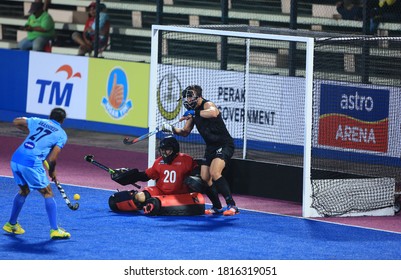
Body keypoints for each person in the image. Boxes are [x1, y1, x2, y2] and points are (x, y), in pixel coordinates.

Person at [162, 85, 239, 216]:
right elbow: (185, 132)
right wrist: (172, 129)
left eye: (190, 96)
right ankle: (217, 206)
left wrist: (194, 113)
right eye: (187, 96)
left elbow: (213, 112)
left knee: (215, 172)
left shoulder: (207, 105)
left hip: (224, 144)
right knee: (205, 177)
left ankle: (232, 205)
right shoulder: (193, 113)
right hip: (210, 147)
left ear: (198, 96)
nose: (188, 99)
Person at [3, 108, 71, 239]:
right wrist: (52, 172)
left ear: (50, 116)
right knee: (48, 193)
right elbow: (52, 159)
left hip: (16, 159)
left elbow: (17, 122)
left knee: (24, 190)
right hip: (30, 163)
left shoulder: (38, 121)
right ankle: (55, 230)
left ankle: (11, 224)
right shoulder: (61, 134)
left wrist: (30, 131)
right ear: (62, 120)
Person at [109, 136, 201, 215]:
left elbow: (197, 172)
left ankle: (154, 204)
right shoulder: (159, 162)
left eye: (167, 150)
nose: (164, 153)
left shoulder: (186, 160)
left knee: (155, 203)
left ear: (174, 150)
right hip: (161, 190)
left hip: (179, 194)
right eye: (162, 150)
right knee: (139, 197)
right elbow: (146, 175)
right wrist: (129, 176)